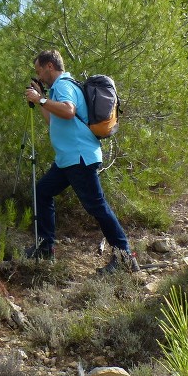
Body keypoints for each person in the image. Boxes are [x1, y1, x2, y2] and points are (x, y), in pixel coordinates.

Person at [23, 49, 138, 272]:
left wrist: (41, 98)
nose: (39, 75)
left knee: (97, 207)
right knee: (43, 192)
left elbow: (68, 111)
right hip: (68, 159)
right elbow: (52, 121)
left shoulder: (64, 85)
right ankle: (46, 248)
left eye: (39, 70)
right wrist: (41, 101)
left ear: (49, 66)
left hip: (79, 157)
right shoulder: (57, 89)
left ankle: (124, 256)